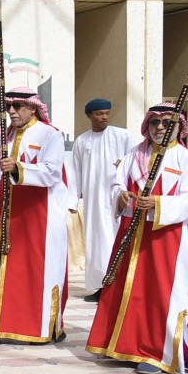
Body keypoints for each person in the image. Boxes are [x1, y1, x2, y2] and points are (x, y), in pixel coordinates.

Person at [86, 103, 188, 374]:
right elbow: (116, 183)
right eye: (155, 123)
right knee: (124, 288)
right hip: (131, 231)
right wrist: (121, 195)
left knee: (156, 293)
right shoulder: (133, 155)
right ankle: (120, 344)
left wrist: (159, 204)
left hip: (166, 238)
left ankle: (153, 353)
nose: (160, 127)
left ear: (179, 127)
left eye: (166, 122)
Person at [0, 88, 69, 345]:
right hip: (7, 214)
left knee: (33, 270)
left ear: (33, 108)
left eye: (18, 106)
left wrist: (20, 168)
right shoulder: (5, 136)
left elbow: (52, 172)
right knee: (2, 267)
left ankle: (34, 327)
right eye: (8, 106)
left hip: (38, 215)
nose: (11, 111)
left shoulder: (50, 135)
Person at [68, 98, 140, 302]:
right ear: (89, 116)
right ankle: (101, 286)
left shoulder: (123, 135)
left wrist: (125, 163)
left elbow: (139, 159)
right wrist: (72, 202)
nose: (104, 117)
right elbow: (75, 172)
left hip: (117, 198)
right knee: (96, 242)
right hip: (92, 200)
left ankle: (118, 286)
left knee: (115, 239)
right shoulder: (82, 141)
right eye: (99, 113)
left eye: (107, 113)